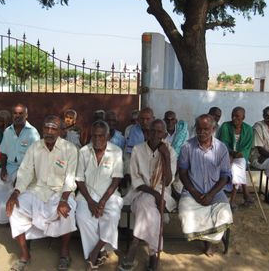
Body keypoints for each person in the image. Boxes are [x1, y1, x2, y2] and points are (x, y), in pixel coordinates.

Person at [6, 115, 78, 271]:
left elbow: (70, 179)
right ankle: (25, 254)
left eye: (54, 128)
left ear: (60, 131)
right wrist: (15, 193)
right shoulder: (35, 147)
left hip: (60, 192)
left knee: (68, 211)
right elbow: (25, 173)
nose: (49, 132)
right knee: (15, 208)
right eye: (47, 128)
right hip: (37, 190)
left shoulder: (70, 149)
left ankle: (65, 252)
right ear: (42, 129)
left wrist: (64, 200)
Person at [119, 119, 177, 271]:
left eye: (160, 132)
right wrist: (155, 195)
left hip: (162, 192)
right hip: (139, 191)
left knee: (147, 206)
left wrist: (165, 157)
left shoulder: (170, 151)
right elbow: (136, 179)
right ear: (147, 133)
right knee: (150, 207)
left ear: (165, 134)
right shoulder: (138, 149)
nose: (156, 135)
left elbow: (168, 181)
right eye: (153, 131)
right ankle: (153, 254)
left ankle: (135, 242)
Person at [178, 114, 233, 257]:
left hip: (215, 192)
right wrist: (194, 192)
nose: (202, 132)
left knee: (225, 213)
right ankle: (206, 240)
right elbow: (182, 173)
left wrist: (211, 194)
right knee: (186, 213)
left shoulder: (221, 148)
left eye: (206, 129)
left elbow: (225, 175)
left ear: (213, 129)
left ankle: (209, 242)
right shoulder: (187, 147)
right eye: (199, 129)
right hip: (192, 191)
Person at [75, 120, 123, 270]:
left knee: (113, 215)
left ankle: (94, 252)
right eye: (94, 136)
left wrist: (102, 202)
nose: (97, 139)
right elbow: (79, 179)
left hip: (109, 195)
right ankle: (101, 250)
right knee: (82, 217)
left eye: (101, 136)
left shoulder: (116, 152)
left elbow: (116, 179)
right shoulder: (83, 151)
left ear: (108, 136)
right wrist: (90, 201)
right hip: (87, 194)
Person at [0, 104, 40, 228]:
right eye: (15, 113)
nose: (18, 116)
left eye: (21, 114)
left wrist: (23, 176)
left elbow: (36, 158)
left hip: (25, 169)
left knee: (15, 187)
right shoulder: (8, 131)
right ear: (12, 115)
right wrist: (3, 169)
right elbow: (3, 152)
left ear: (26, 115)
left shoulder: (33, 133)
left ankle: (11, 219)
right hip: (9, 167)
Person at [218, 107, 254, 210]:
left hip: (241, 156)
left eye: (237, 116)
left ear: (243, 117)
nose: (234, 118)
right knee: (234, 167)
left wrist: (241, 153)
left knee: (238, 166)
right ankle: (245, 194)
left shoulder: (248, 129)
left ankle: (232, 199)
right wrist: (232, 152)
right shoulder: (226, 126)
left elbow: (247, 147)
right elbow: (223, 143)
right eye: (233, 115)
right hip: (227, 154)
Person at [163, 110, 189, 199]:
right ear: (164, 120)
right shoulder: (160, 132)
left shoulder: (183, 133)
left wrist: (177, 164)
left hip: (179, 162)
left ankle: (176, 193)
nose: (170, 122)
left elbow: (184, 151)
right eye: (167, 120)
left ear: (176, 121)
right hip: (163, 162)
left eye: (172, 119)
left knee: (180, 179)